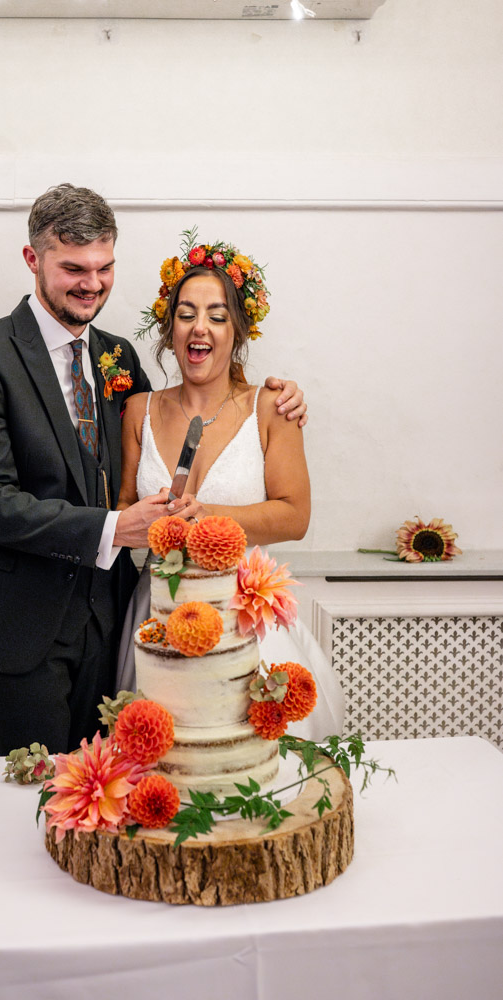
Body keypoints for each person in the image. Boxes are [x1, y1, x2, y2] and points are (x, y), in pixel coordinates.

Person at [0, 184, 308, 757]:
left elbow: (169, 440)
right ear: (33, 260)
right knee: (35, 800)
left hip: (114, 625)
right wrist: (112, 529)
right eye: (73, 268)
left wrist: (284, 395)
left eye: (104, 268)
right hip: (19, 623)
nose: (92, 284)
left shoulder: (118, 358)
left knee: (109, 792)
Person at [116, 234, 344, 739]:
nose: (201, 328)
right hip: (158, 609)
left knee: (254, 755)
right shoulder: (138, 409)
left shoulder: (271, 407)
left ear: (238, 331)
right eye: (187, 314)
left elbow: (295, 516)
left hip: (247, 613)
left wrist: (206, 516)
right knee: (169, 753)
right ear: (168, 327)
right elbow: (121, 511)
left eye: (218, 316)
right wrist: (147, 522)